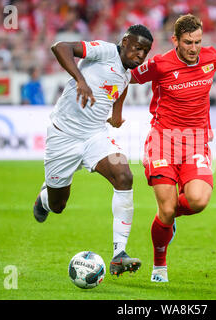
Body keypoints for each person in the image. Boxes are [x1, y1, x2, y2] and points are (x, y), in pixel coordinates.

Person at [128, 14, 216, 282]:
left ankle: (167, 220)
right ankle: (159, 266)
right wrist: (114, 110)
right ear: (175, 40)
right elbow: (125, 78)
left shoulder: (208, 57)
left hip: (197, 142)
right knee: (166, 209)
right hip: (163, 141)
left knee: (198, 201)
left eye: (198, 41)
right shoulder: (160, 64)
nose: (194, 48)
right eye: (188, 42)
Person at [32, 24, 153, 277]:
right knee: (58, 205)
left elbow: (120, 88)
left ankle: (119, 254)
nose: (141, 56)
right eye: (138, 48)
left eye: (146, 52)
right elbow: (60, 47)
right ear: (125, 42)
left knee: (125, 176)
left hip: (95, 135)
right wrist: (81, 80)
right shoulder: (104, 50)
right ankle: (45, 198)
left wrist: (117, 117)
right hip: (63, 136)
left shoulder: (126, 75)